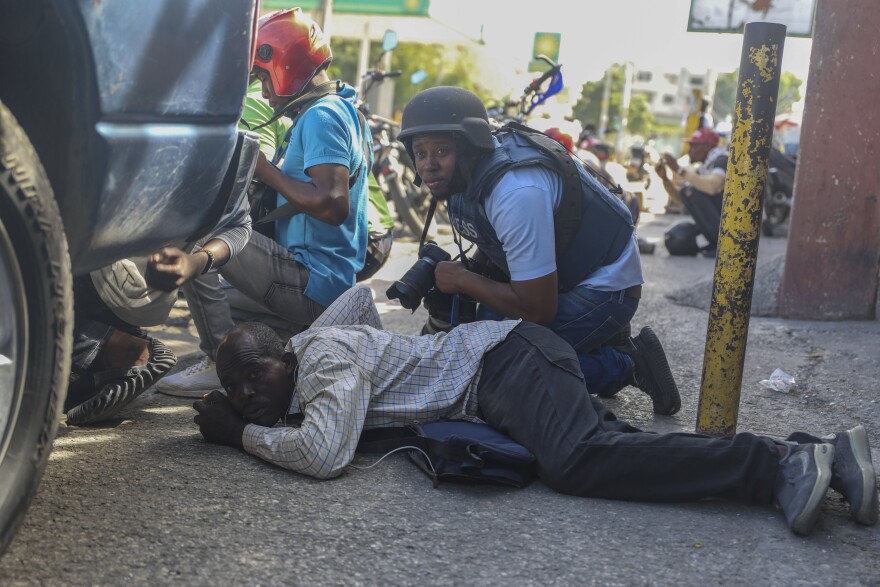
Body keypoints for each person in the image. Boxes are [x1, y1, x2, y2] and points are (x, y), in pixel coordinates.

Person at [192, 286, 879, 537]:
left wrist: (242, 432)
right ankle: (825, 454)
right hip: (506, 371)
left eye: (256, 373)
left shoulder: (325, 361)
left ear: (286, 354)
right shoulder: (315, 342)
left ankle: (778, 465)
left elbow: (323, 454)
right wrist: (257, 396)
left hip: (507, 362)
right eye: (238, 386)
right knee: (618, 450)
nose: (250, 390)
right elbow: (360, 301)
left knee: (579, 461)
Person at [392, 86, 680, 415]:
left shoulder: (515, 192)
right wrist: (473, 271)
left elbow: (538, 309)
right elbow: (495, 238)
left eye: (441, 151)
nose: (428, 165)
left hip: (604, 286)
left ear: (470, 147)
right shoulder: (466, 175)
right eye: (420, 153)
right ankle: (598, 343)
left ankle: (627, 363)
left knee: (498, 374)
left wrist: (462, 281)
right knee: (477, 340)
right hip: (563, 274)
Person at [156, 8, 371, 397]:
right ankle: (255, 343)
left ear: (285, 65)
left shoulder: (323, 116)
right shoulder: (332, 110)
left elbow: (333, 204)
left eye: (262, 76)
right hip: (318, 285)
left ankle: (224, 366)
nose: (263, 89)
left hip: (311, 282)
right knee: (219, 300)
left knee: (199, 233)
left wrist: (265, 170)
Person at [66, 174, 254, 425]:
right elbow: (240, 224)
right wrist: (197, 262)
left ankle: (115, 350)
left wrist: (195, 263)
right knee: (49, 390)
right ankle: (107, 362)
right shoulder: (229, 145)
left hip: (92, 271)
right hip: (131, 293)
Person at [656, 128, 728, 255]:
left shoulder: (722, 160)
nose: (690, 151)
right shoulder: (705, 168)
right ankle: (716, 242)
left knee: (692, 191)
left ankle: (722, 244)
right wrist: (665, 179)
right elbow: (682, 197)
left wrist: (679, 170)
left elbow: (711, 186)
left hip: (732, 219)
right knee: (688, 191)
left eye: (694, 146)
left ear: (707, 146)